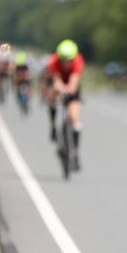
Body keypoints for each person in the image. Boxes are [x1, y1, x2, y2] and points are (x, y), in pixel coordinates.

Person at [47, 39, 85, 170]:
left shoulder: (79, 61)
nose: (66, 63)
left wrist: (69, 90)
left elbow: (74, 82)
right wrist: (60, 89)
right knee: (52, 96)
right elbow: (56, 80)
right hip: (60, 83)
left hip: (71, 84)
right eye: (63, 60)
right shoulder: (53, 61)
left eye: (69, 60)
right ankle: (53, 125)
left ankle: (75, 152)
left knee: (74, 117)